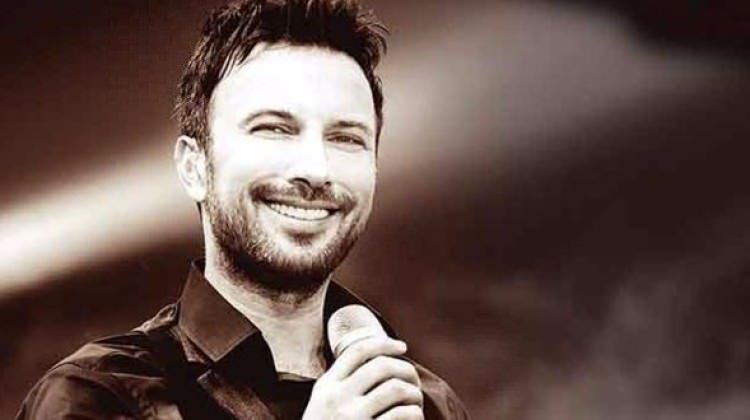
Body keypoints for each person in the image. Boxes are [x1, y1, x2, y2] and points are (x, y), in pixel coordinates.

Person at [17, 0, 469, 418]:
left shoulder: (431, 403)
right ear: (194, 167)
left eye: (346, 138)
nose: (315, 169)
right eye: (274, 128)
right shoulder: (94, 396)